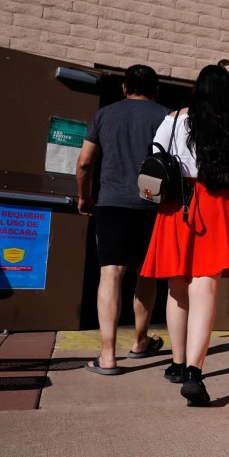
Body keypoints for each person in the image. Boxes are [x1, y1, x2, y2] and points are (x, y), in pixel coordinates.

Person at [141, 64, 229, 407]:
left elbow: (153, 161)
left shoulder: (175, 119)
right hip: (217, 205)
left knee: (177, 286)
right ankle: (195, 372)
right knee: (205, 288)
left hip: (177, 203)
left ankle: (177, 364)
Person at [76, 64, 168, 375]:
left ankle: (107, 356)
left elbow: (85, 163)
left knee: (111, 274)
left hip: (112, 204)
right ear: (155, 90)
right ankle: (140, 342)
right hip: (152, 204)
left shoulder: (105, 115)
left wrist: (84, 196)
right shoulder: (166, 117)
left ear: (125, 88)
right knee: (147, 274)